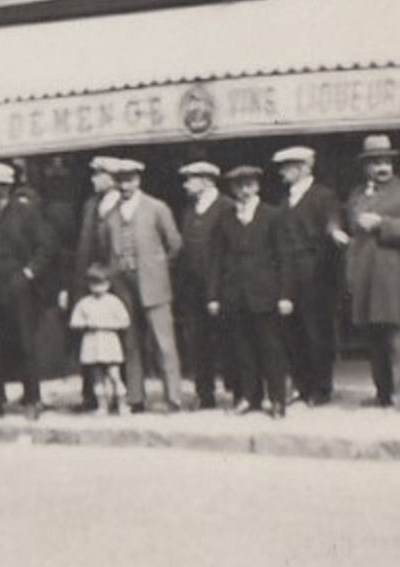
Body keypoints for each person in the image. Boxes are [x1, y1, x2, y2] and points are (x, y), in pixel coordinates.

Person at [339, 134, 400, 411]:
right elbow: (344, 218)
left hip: (395, 279)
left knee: (398, 337)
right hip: (366, 279)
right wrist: (336, 232)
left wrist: (382, 223)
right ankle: (383, 394)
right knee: (374, 339)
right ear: (365, 166)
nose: (382, 167)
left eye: (386, 161)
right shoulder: (357, 195)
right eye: (375, 162)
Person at [0, 162, 55, 420]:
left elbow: (45, 247)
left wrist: (29, 273)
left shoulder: (25, 213)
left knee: (25, 341)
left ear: (10, 187)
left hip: (17, 285)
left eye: (3, 187)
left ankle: (33, 399)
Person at [207, 166, 294, 419]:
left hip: (265, 293)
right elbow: (216, 260)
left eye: (248, 185)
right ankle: (249, 397)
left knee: (271, 348)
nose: (243, 191)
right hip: (234, 293)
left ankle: (277, 399)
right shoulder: (225, 219)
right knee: (242, 348)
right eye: (238, 186)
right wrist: (213, 296)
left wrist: (285, 295)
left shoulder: (273, 216)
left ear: (257, 186)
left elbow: (284, 258)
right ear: (232, 190)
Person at [103, 159, 184, 413]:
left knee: (163, 342)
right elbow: (107, 248)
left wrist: (157, 265)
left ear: (138, 180)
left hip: (152, 282)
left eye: (130, 179)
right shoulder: (111, 214)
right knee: (130, 341)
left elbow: (175, 244)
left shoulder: (156, 208)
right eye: (120, 180)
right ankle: (136, 397)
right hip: (123, 284)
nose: (125, 185)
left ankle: (173, 398)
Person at [274, 146, 347, 406]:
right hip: (288, 274)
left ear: (305, 167)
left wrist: (335, 231)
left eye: (289, 166)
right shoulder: (285, 202)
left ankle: (321, 388)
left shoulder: (323, 196)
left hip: (316, 274)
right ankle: (302, 385)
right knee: (292, 333)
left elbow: (332, 221)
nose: (283, 172)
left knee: (316, 332)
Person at [175, 161, 234, 410]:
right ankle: (205, 393)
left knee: (228, 338)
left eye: (191, 179)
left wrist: (220, 287)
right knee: (197, 341)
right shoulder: (189, 209)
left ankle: (236, 389)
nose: (186, 184)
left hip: (220, 285)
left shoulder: (226, 207)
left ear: (207, 181)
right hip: (193, 288)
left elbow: (231, 250)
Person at [69, 155, 122, 411]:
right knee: (89, 344)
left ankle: (125, 397)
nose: (94, 180)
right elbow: (83, 244)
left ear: (111, 179)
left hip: (116, 280)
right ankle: (91, 396)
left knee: (118, 343)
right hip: (91, 279)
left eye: (99, 175)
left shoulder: (121, 203)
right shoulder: (90, 205)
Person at [69, 264, 130, 414]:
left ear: (108, 284)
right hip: (92, 343)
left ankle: (122, 404)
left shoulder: (114, 302)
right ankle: (102, 406)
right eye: (94, 284)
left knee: (114, 375)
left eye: (101, 284)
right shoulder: (85, 303)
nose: (97, 288)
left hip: (109, 341)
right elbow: (74, 322)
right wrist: (87, 323)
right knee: (97, 378)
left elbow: (125, 321)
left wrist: (108, 324)